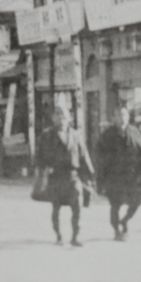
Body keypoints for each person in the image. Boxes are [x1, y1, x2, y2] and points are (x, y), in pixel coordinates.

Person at [37, 104, 95, 247]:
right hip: (56, 176)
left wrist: (90, 175)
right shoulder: (46, 135)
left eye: (63, 115)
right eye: (57, 114)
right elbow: (40, 157)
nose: (61, 118)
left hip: (72, 176)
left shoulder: (76, 135)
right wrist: (41, 175)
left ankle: (75, 237)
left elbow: (83, 155)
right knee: (56, 208)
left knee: (78, 207)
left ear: (69, 118)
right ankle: (58, 235)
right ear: (53, 118)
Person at [95, 105, 141, 241]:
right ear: (114, 118)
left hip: (131, 176)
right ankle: (117, 229)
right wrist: (101, 177)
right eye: (119, 115)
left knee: (136, 201)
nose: (122, 118)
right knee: (115, 204)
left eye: (125, 115)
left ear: (128, 117)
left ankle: (125, 220)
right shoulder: (107, 135)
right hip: (114, 177)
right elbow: (100, 156)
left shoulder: (134, 131)